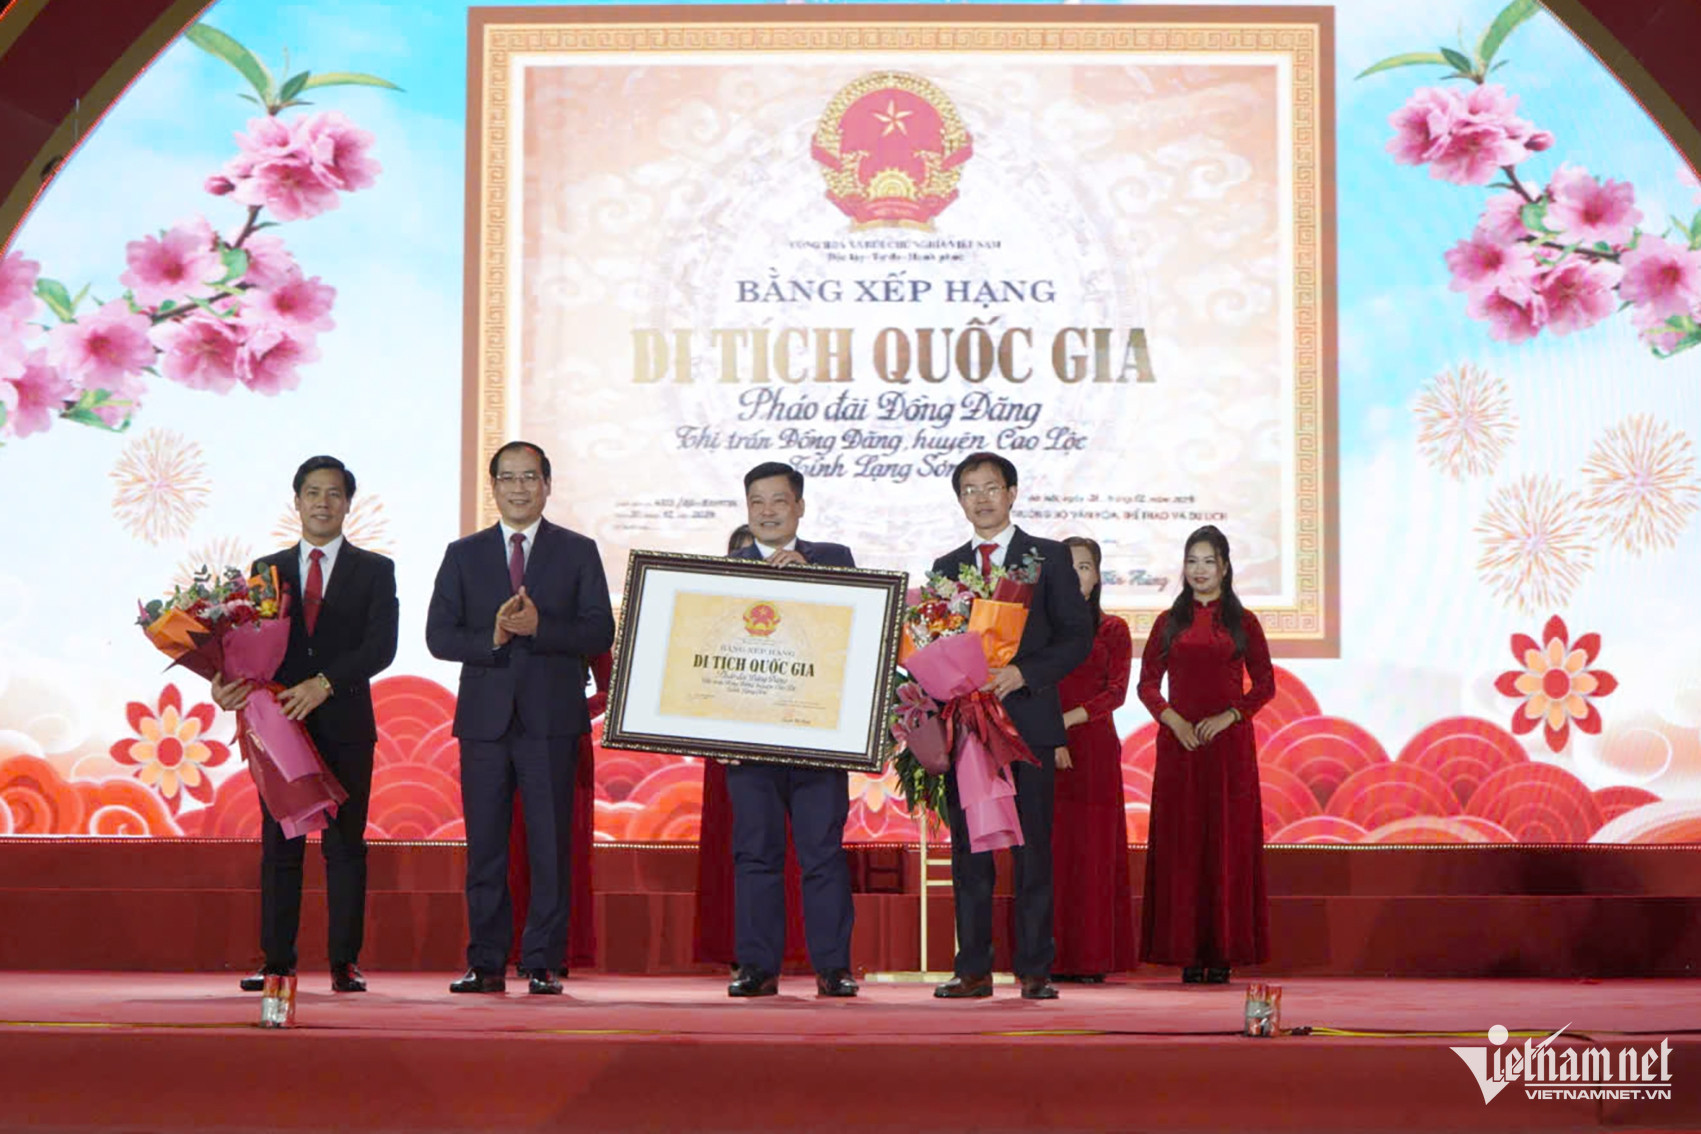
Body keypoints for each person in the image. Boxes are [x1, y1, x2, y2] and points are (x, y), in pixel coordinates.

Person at [426, 440, 615, 995]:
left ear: (547, 485)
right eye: (507, 477)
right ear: (493, 487)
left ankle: (543, 961)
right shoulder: (463, 555)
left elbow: (599, 629)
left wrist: (541, 629)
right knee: (485, 848)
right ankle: (486, 962)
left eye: (529, 477)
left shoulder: (577, 551)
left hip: (551, 720)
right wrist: (493, 636)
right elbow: (439, 637)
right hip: (484, 724)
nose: (518, 487)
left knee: (549, 846)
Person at [214, 456, 398, 994]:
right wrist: (223, 684)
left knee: (345, 845)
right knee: (281, 844)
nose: (323, 502)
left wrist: (325, 683)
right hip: (281, 726)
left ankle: (345, 963)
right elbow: (244, 645)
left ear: (348, 503)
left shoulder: (375, 570)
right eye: (313, 492)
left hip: (345, 723)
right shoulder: (266, 570)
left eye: (334, 493)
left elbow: (380, 647)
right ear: (296, 501)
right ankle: (276, 961)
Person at [931, 453, 1094, 1001]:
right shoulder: (947, 566)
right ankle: (973, 970)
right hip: (968, 730)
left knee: (1032, 852)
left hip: (1027, 724)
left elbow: (1076, 637)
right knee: (971, 853)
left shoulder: (1047, 557)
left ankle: (1035, 969)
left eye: (991, 488)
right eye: (970, 490)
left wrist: (1024, 672)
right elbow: (933, 641)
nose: (981, 499)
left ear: (1012, 493)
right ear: (960, 500)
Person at [719, 461, 859, 998]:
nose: (768, 511)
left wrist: (811, 579)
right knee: (755, 854)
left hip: (818, 736)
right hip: (750, 741)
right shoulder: (724, 571)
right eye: (757, 502)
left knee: (822, 853)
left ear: (799, 506)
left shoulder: (834, 559)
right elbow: (709, 654)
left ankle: (834, 968)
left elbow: (855, 629)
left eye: (779, 500)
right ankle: (756, 967)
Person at [1135, 525, 1274, 984]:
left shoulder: (1243, 622)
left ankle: (1224, 952)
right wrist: (1172, 720)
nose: (1199, 570)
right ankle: (1186, 952)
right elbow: (1147, 685)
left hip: (1228, 750)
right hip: (1180, 747)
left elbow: (1265, 685)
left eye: (1208, 561)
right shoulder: (1168, 622)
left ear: (1225, 567)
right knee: (1183, 844)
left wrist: (1231, 716)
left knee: (1225, 843)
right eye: (1192, 561)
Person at [1051, 537, 1137, 981]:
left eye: (1084, 567)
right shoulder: (1039, 630)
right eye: (1067, 568)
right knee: (1051, 853)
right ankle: (1048, 956)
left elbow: (1115, 693)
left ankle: (1091, 957)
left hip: (1095, 750)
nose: (1076, 576)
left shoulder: (1113, 630)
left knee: (1093, 851)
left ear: (1098, 575)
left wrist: (1068, 720)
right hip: (1045, 748)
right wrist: (1052, 733)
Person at [505, 650, 611, 977]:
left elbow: (611, 690)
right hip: (509, 737)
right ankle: (515, 947)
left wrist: (572, 710)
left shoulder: (582, 624)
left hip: (565, 739)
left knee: (560, 847)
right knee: (514, 847)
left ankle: (554, 950)